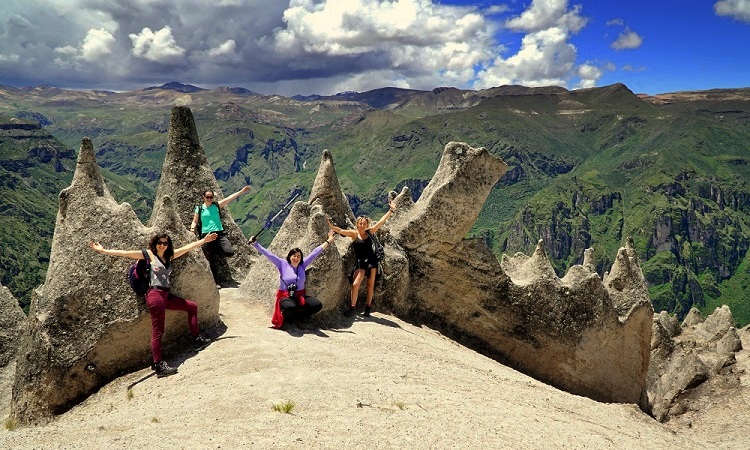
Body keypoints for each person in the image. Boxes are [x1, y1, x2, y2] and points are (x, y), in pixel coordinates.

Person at [90, 232, 218, 378]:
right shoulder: (149, 255)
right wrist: (103, 250)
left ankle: (197, 340)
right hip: (154, 296)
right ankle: (159, 365)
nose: (162, 245)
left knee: (192, 307)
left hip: (165, 295)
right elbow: (126, 253)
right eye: (160, 242)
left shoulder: (169, 257)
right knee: (158, 331)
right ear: (155, 243)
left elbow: (187, 248)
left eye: (165, 243)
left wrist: (204, 240)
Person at [249, 230, 336, 329]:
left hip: (300, 295)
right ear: (290, 257)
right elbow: (269, 255)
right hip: (285, 295)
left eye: (298, 256)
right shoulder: (282, 264)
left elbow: (315, 253)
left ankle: (299, 317)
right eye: (294, 256)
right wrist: (255, 244)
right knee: (290, 307)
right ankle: (288, 318)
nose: (296, 258)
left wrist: (329, 240)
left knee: (317, 305)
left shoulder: (302, 265)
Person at [328, 199, 396, 317]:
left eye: (364, 224)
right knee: (355, 285)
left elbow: (381, 221)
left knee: (371, 285)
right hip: (360, 263)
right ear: (357, 224)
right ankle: (352, 307)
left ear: (367, 225)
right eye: (360, 223)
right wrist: (329, 226)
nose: (362, 225)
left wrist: (391, 210)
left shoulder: (370, 232)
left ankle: (368, 309)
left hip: (372, 261)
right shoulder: (354, 234)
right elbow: (340, 230)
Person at [190, 186, 251, 284]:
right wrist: (192, 230)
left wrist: (242, 191)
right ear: (203, 197)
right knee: (212, 260)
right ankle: (216, 282)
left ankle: (218, 250)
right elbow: (195, 221)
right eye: (207, 197)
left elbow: (229, 198)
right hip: (207, 235)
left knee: (229, 252)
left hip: (219, 234)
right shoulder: (200, 208)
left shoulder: (216, 205)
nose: (209, 199)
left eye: (211, 197)